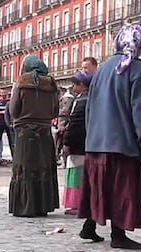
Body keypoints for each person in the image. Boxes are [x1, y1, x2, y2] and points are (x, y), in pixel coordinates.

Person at [78, 24, 141, 249]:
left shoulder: (102, 68)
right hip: (122, 144)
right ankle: (118, 235)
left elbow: (90, 108)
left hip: (96, 142)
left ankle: (89, 226)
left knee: (99, 186)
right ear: (139, 45)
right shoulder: (138, 70)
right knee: (120, 189)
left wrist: (90, 137)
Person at [8, 54, 59, 217]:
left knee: (25, 168)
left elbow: (14, 109)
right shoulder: (51, 85)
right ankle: (42, 205)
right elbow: (55, 111)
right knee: (43, 168)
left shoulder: (22, 83)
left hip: (25, 132)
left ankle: (24, 206)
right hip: (44, 132)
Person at [62, 71, 92, 215]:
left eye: (75, 85)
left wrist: (67, 141)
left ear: (82, 85)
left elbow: (75, 124)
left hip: (78, 144)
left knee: (76, 174)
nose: (73, 88)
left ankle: (77, 203)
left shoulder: (81, 101)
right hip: (86, 143)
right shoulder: (86, 98)